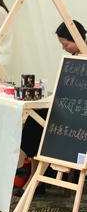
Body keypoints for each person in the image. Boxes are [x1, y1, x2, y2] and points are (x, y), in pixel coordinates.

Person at [15, 20, 86, 196]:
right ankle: (28, 174)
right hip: (71, 109)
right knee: (36, 117)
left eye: (65, 44)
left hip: (80, 116)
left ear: (77, 39)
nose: (64, 48)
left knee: (42, 122)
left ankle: (25, 172)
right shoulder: (76, 59)